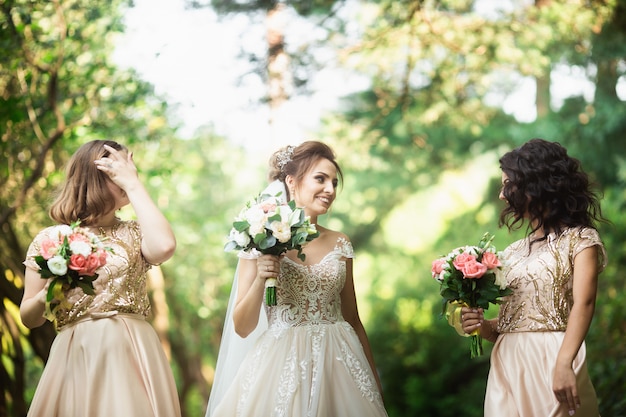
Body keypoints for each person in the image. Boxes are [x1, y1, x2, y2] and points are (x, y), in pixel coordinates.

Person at [206, 141, 388, 417]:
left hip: (341, 364)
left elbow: (352, 317)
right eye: (321, 179)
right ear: (292, 181)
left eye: (334, 183)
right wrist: (261, 278)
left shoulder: (341, 243)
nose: (330, 189)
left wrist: (373, 382)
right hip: (281, 366)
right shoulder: (259, 238)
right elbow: (242, 327)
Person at [20, 140, 182, 417]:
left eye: (130, 169)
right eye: (117, 169)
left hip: (134, 350)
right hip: (78, 352)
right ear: (95, 176)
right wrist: (49, 292)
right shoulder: (51, 239)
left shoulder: (136, 232)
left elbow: (164, 247)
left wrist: (133, 185)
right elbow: (29, 318)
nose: (128, 174)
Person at [460, 138, 607, 417]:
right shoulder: (512, 253)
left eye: (507, 185)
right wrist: (481, 325)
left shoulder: (581, 240)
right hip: (506, 361)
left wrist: (564, 363)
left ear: (534, 184)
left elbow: (584, 304)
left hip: (552, 357)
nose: (502, 195)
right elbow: (509, 324)